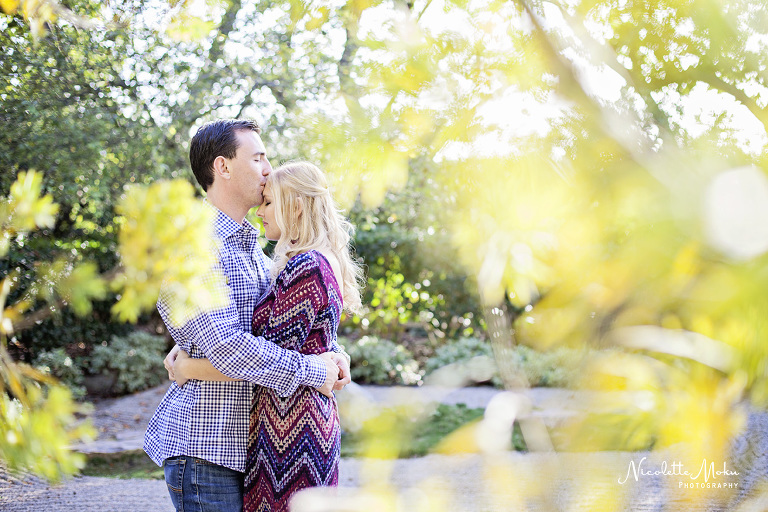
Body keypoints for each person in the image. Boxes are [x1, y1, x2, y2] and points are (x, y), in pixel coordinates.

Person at [143, 120, 351, 512]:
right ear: (222, 167)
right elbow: (228, 347)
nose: (268, 169)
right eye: (258, 158)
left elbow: (286, 333)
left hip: (257, 451)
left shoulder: (254, 250)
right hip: (209, 452)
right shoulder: (195, 247)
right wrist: (314, 370)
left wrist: (333, 354)